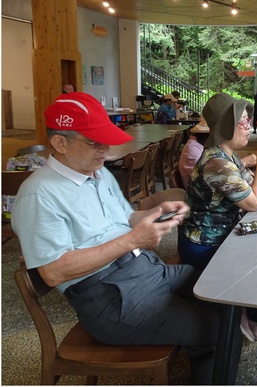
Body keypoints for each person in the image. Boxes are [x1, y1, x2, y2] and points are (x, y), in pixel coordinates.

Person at [11, 92, 239, 384]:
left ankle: (204, 353)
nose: (105, 149)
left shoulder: (97, 172)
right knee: (221, 330)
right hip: (108, 298)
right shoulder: (39, 195)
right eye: (94, 142)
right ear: (59, 143)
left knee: (222, 291)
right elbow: (53, 272)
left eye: (106, 139)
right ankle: (210, 351)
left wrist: (155, 213)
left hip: (145, 271)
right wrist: (132, 241)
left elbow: (124, 219)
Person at [179, 92, 257, 342]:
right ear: (226, 127)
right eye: (243, 121)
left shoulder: (228, 155)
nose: (249, 126)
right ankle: (242, 310)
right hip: (204, 244)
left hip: (225, 235)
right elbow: (252, 203)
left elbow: (250, 189)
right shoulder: (217, 163)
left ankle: (251, 309)